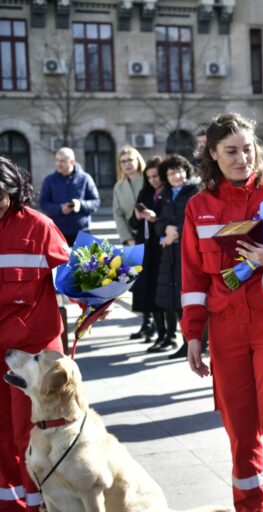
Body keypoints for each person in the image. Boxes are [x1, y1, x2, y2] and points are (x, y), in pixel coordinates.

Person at [181, 113, 263, 512]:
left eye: (247, 149)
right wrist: (193, 334)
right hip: (226, 329)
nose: (242, 158)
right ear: (213, 154)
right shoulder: (198, 207)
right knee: (240, 429)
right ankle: (250, 505)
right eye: (231, 151)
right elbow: (193, 276)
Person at [0, 156, 69, 511]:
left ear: (13, 192)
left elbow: (70, 277)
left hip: (32, 355)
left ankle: (43, 504)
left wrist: (95, 299)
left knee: (32, 435)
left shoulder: (39, 227)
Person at [148, 155, 197, 354]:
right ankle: (181, 338)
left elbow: (196, 219)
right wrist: (165, 231)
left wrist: (176, 232)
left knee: (188, 298)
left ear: (186, 171)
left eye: (179, 171)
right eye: (171, 173)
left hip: (187, 251)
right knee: (173, 299)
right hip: (169, 254)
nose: (175, 176)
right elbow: (159, 221)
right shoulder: (165, 194)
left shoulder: (195, 191)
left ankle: (192, 341)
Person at [113, 146, 153, 341]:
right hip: (132, 238)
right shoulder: (119, 187)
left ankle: (155, 322)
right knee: (138, 283)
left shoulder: (147, 180)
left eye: (130, 160)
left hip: (150, 234)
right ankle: (146, 322)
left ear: (138, 161)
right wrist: (127, 237)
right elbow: (117, 214)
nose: (127, 164)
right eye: (123, 161)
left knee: (151, 280)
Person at [129, 156, 165, 345]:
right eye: (149, 177)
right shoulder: (145, 193)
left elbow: (169, 219)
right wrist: (137, 216)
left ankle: (167, 334)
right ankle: (155, 331)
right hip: (145, 247)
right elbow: (133, 223)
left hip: (161, 248)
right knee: (147, 290)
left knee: (161, 290)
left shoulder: (168, 192)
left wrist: (155, 218)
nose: (153, 180)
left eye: (156, 176)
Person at [38, 147, 100, 246]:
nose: (58, 164)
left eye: (62, 161)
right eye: (57, 160)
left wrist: (80, 205)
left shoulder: (85, 178)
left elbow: (95, 202)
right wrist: (60, 209)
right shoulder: (49, 180)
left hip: (82, 232)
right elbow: (43, 204)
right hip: (57, 232)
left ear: (72, 162)